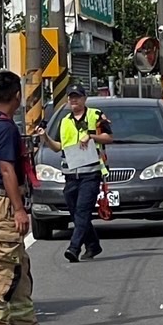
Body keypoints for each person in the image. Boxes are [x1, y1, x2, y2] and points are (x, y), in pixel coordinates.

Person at [0, 71, 52, 325]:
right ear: (17, 95)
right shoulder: (5, 128)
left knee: (19, 263)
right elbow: (7, 170)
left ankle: (24, 321)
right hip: (2, 203)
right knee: (3, 265)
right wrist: (19, 209)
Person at [41, 86, 113, 262]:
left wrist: (91, 137)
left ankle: (73, 247)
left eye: (77, 97)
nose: (74, 101)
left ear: (84, 99)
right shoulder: (64, 121)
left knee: (82, 210)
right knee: (76, 213)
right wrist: (45, 138)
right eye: (71, 98)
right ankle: (93, 245)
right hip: (71, 174)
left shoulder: (95, 116)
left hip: (91, 172)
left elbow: (109, 137)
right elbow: (59, 147)